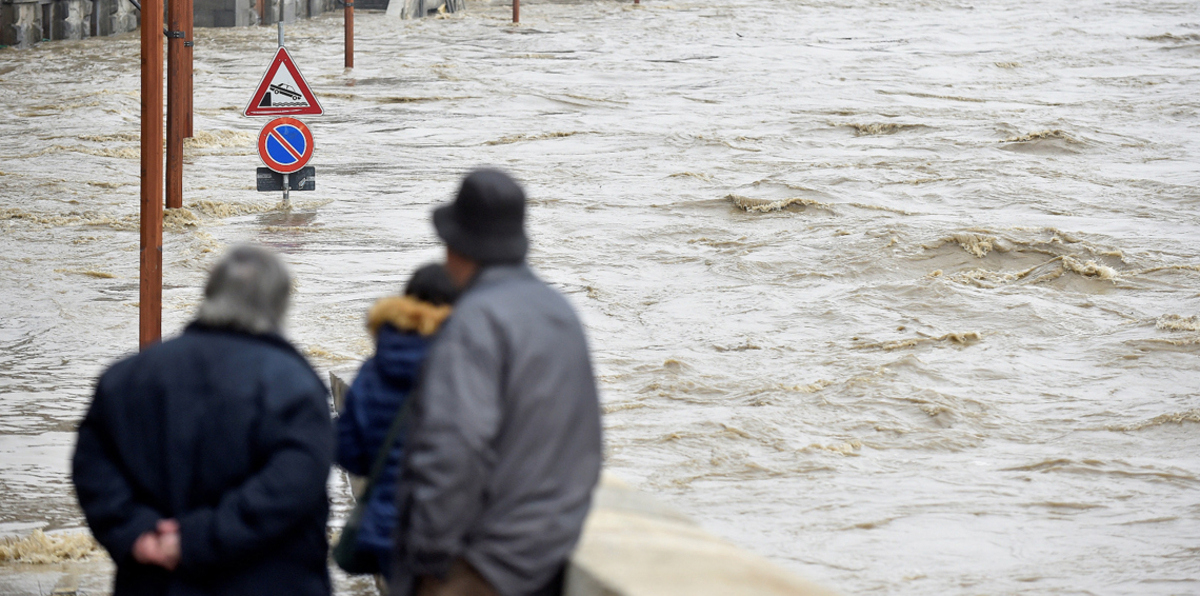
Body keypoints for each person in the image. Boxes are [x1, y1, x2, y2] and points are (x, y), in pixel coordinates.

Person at [71, 245, 334, 596]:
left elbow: (94, 464)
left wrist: (136, 532)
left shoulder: (126, 377)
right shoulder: (296, 386)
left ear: (208, 295)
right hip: (270, 580)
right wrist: (195, 539)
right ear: (279, 306)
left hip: (154, 581)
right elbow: (291, 485)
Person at [391, 169, 604, 596]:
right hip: (547, 555)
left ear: (456, 247)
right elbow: (589, 440)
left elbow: (455, 446)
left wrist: (428, 556)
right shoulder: (560, 312)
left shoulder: (474, 322)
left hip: (481, 562)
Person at [336, 263, 458, 576]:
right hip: (454, 533)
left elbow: (349, 452)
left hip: (388, 536)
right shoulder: (470, 368)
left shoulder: (372, 372)